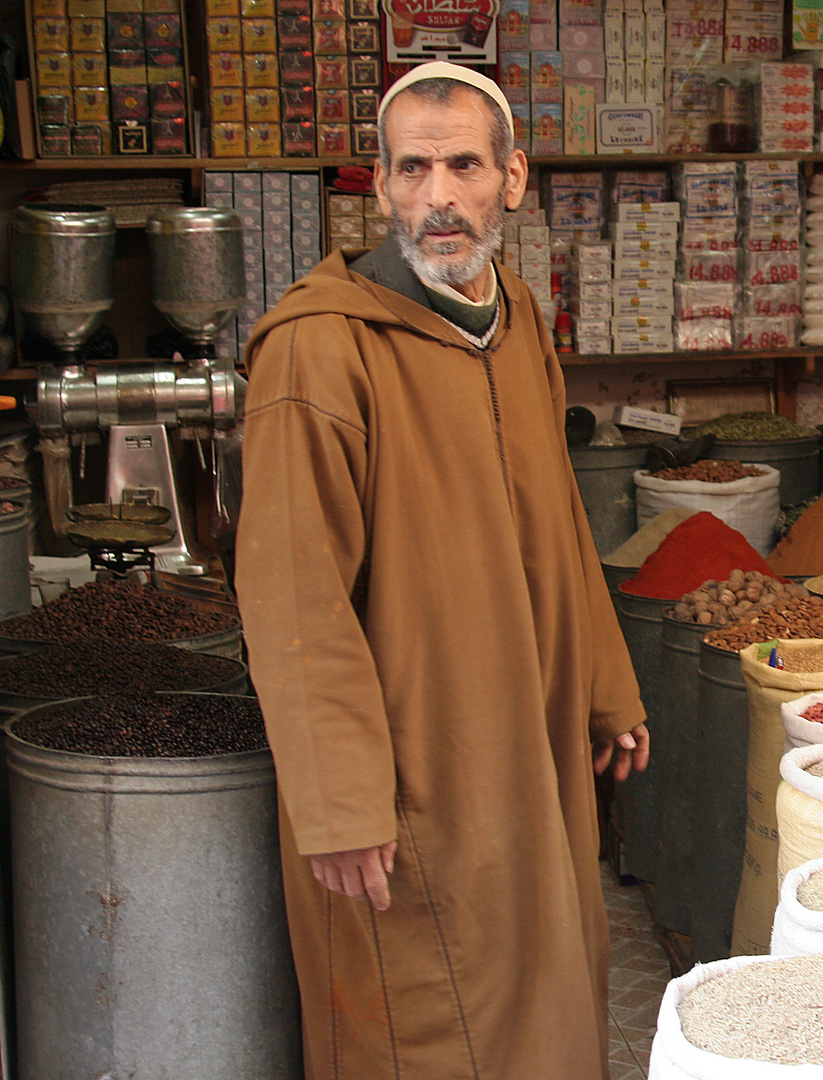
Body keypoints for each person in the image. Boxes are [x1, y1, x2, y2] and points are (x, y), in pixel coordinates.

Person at [234, 61, 650, 1080]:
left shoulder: (513, 323)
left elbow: (556, 511)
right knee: (420, 1022)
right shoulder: (320, 350)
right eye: (413, 169)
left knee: (542, 996)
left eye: (463, 165)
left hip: (528, 738)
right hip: (414, 765)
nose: (439, 197)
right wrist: (338, 800)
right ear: (379, 189)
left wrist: (603, 686)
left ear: (511, 178)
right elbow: (292, 590)